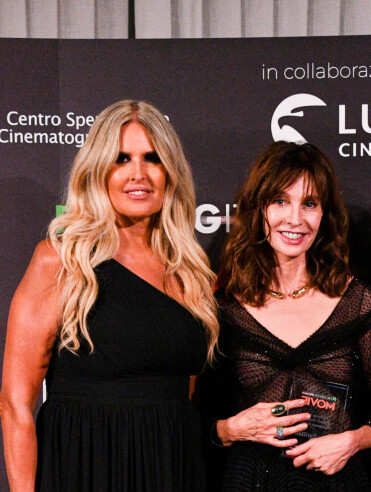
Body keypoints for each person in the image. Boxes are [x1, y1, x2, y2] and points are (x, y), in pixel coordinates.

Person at [0, 100, 219, 491]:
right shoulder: (61, 259)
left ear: (171, 171)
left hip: (172, 468)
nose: (139, 174)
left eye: (152, 159)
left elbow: (184, 391)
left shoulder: (188, 268)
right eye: (121, 159)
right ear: (98, 170)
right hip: (85, 467)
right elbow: (16, 405)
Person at [198, 141, 371, 491]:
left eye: (310, 204)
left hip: (338, 483)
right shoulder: (224, 309)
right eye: (280, 201)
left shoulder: (359, 303)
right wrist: (230, 429)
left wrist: (353, 441)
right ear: (258, 209)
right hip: (249, 482)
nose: (295, 219)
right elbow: (198, 420)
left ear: (325, 215)